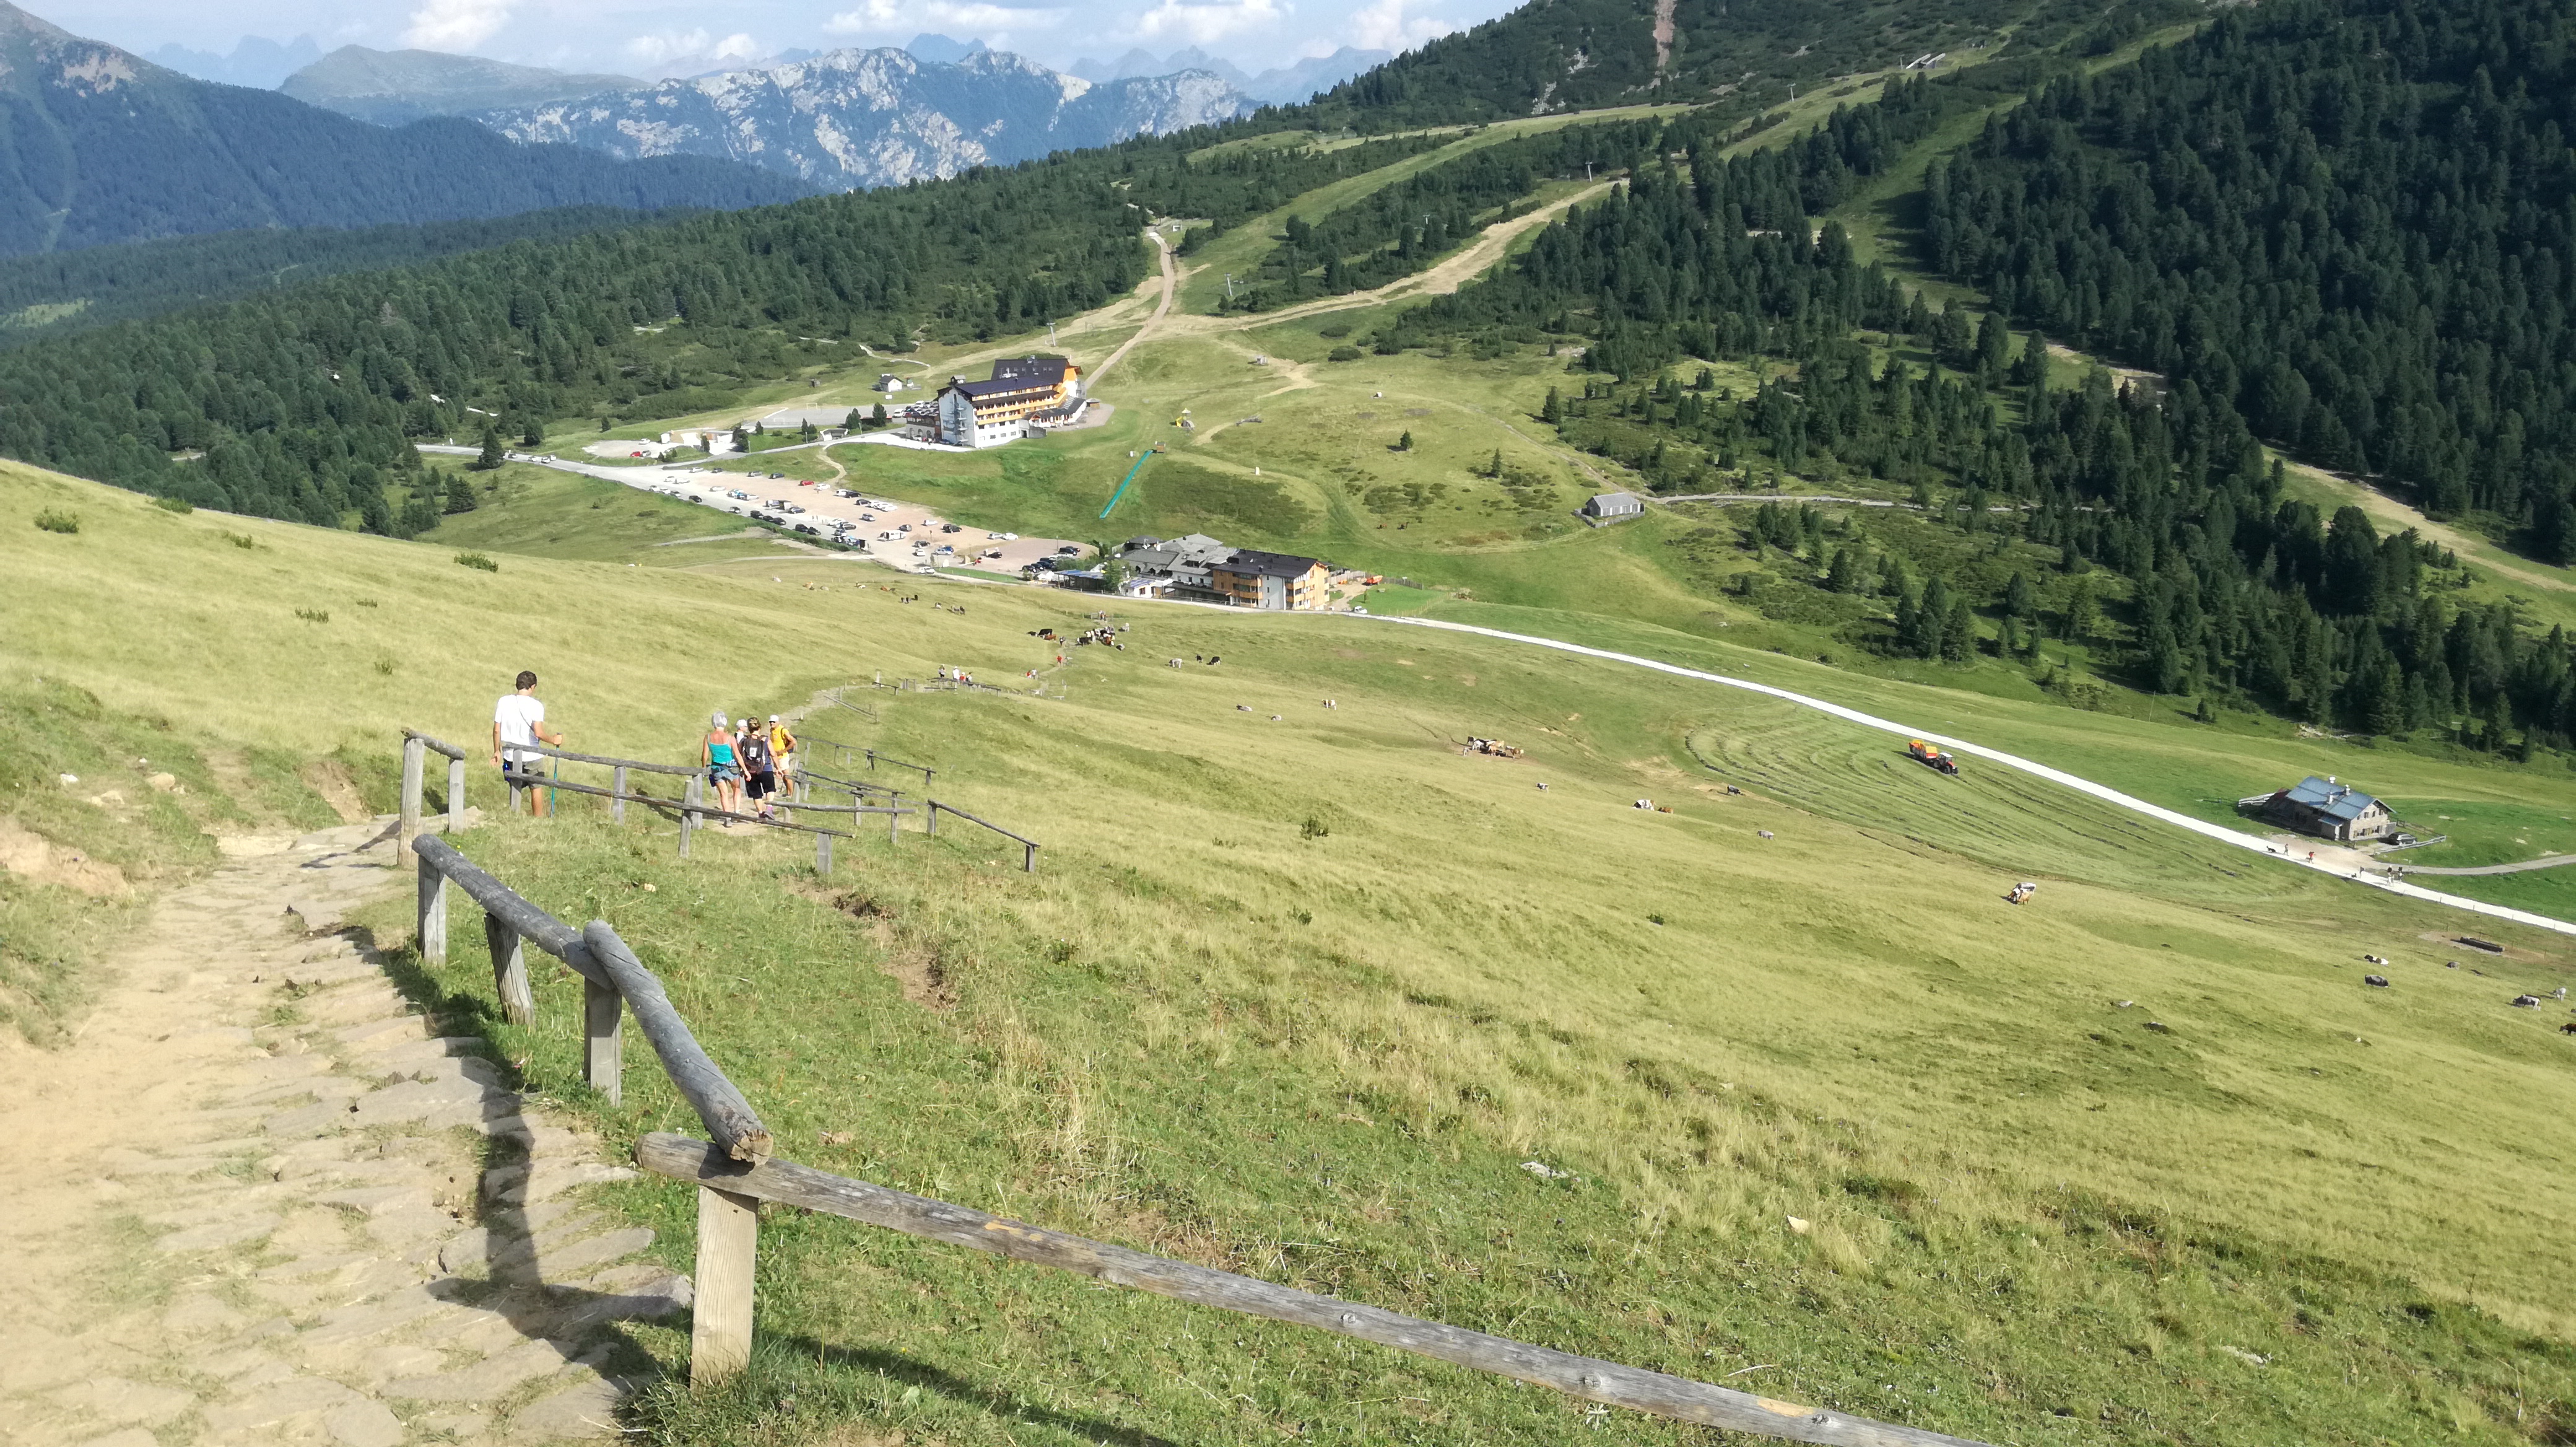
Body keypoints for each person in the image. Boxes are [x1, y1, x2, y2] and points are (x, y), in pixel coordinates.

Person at [492, 671, 565, 816]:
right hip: (532, 755)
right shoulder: (536, 705)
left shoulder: (503, 701)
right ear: (533, 687)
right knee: (536, 786)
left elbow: (496, 730)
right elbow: (538, 733)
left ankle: (514, 815)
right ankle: (538, 818)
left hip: (509, 755)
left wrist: (497, 751)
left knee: (514, 783)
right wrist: (553, 740)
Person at [702, 712, 744, 819]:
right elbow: (738, 756)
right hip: (731, 768)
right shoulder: (730, 738)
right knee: (737, 789)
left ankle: (727, 817)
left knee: (723, 794)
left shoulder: (708, 738)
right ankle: (736, 811)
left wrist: (704, 768)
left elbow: (704, 756)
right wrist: (745, 770)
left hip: (716, 768)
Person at [739, 719, 778, 822]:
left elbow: (739, 755)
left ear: (749, 728)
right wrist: (778, 768)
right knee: (770, 789)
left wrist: (743, 770)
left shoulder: (744, 740)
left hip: (750, 771)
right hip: (766, 769)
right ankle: (769, 808)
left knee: (756, 794)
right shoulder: (765, 740)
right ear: (759, 727)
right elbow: (773, 754)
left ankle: (761, 814)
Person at [768, 715, 798, 802]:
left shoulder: (783, 730)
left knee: (787, 775)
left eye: (773, 722)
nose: (772, 723)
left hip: (783, 757)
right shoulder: (772, 730)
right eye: (770, 722)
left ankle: (791, 794)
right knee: (783, 776)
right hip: (776, 757)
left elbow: (793, 741)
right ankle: (788, 793)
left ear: (778, 722)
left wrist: (783, 751)